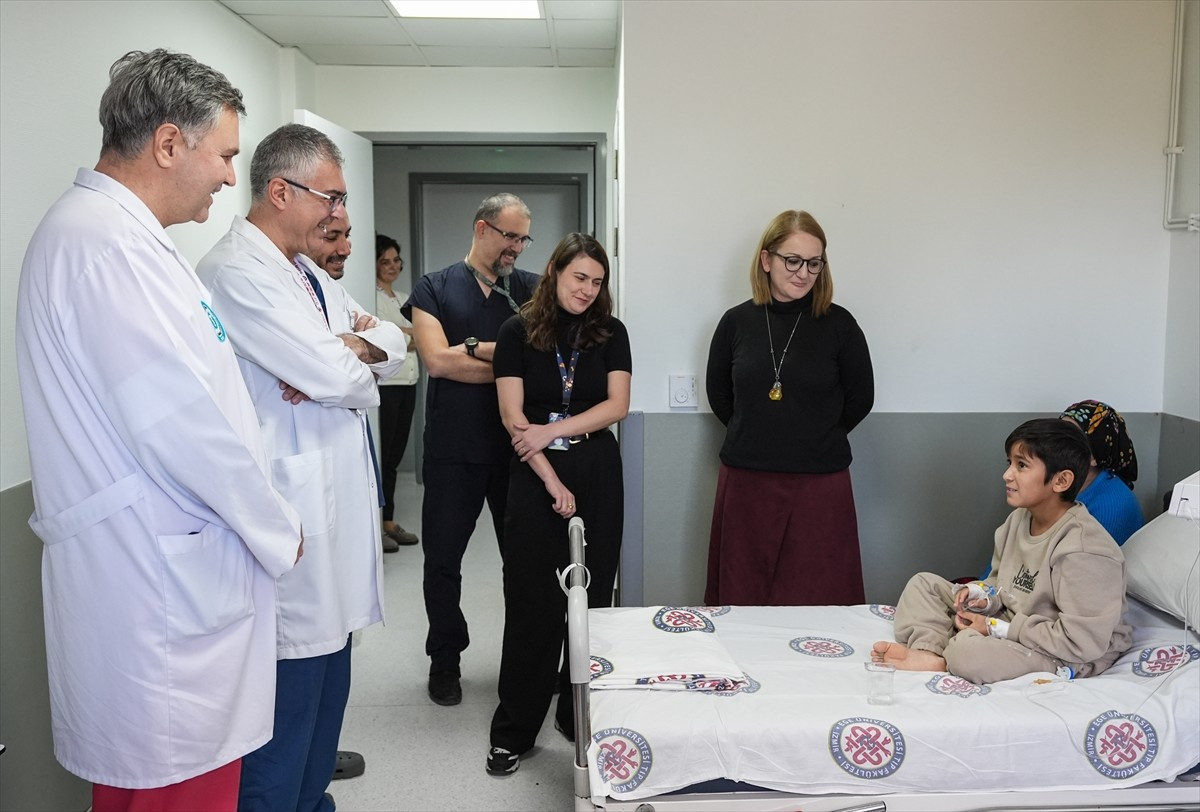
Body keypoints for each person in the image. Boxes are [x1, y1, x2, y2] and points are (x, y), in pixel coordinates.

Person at [15, 49, 303, 811]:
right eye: (226, 155)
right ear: (169, 143)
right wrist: (277, 527)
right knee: (170, 791)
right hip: (155, 595)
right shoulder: (102, 247)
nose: (228, 177)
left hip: (170, 579)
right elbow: (181, 425)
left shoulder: (127, 240)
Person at [197, 124, 406, 812]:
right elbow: (338, 378)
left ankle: (314, 802)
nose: (341, 217)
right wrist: (339, 359)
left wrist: (346, 349)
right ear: (281, 191)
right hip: (291, 524)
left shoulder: (307, 271)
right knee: (285, 717)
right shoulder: (236, 271)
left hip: (335, 520)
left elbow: (395, 342)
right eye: (333, 198)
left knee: (328, 695)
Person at [486, 234, 630, 776]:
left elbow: (617, 405)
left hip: (596, 470)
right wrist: (549, 478)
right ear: (554, 271)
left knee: (591, 599)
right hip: (533, 476)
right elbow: (513, 418)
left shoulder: (611, 333)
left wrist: (556, 432)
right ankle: (514, 731)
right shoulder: (516, 330)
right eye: (579, 278)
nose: (587, 290)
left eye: (597, 282)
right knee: (531, 601)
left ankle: (579, 717)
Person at [403, 193, 541, 706]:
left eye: (524, 238)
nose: (518, 248)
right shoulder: (433, 288)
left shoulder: (530, 290)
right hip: (453, 450)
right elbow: (438, 362)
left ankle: (523, 665)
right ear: (482, 228)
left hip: (518, 452)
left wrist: (472, 351)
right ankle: (445, 660)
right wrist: (510, 366)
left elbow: (544, 359)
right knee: (442, 561)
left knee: (524, 565)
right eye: (510, 236)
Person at [872, 418, 1132, 685]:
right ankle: (928, 652)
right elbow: (1000, 584)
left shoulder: (1085, 549)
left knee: (968, 653)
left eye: (1021, 465)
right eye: (1009, 463)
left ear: (1061, 480)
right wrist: (980, 597)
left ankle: (947, 658)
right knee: (922, 584)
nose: (1007, 475)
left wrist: (995, 628)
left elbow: (1083, 642)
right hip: (1016, 624)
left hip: (1065, 651)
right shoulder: (1019, 519)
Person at [704, 210, 874, 606]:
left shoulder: (840, 325)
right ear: (767, 260)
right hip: (747, 481)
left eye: (814, 263)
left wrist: (814, 435)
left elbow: (860, 400)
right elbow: (721, 397)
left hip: (819, 484)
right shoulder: (735, 323)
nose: (803, 273)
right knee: (743, 597)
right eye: (792, 260)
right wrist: (761, 432)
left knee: (819, 598)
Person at [375, 233, 420, 550]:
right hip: (386, 387)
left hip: (409, 384)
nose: (393, 266)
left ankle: (388, 519)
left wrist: (401, 336)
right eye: (385, 261)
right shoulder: (370, 296)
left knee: (394, 455)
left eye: (396, 260)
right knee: (383, 456)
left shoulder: (403, 297)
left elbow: (422, 339)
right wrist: (406, 336)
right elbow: (382, 341)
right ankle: (380, 523)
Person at [1059, 399, 1144, 545]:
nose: (1055, 446)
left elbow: (1087, 562)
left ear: (1094, 457)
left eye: (1070, 440)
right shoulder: (1070, 485)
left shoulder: (1112, 506)